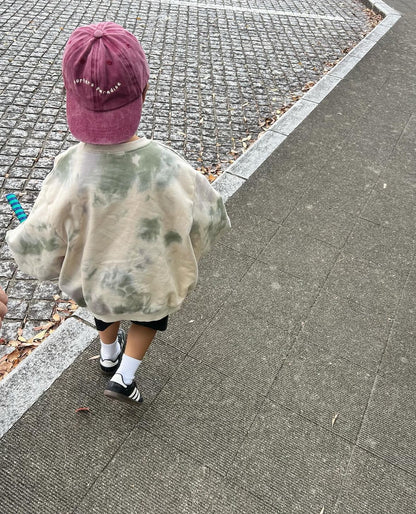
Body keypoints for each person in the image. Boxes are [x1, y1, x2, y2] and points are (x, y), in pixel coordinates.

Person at [6, 22, 230, 405]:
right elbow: (210, 217)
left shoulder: (69, 169)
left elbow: (42, 235)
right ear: (143, 89)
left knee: (105, 308)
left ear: (68, 95)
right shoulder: (169, 167)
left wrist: (23, 236)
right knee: (146, 317)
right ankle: (124, 378)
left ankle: (108, 354)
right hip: (150, 276)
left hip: (98, 278)